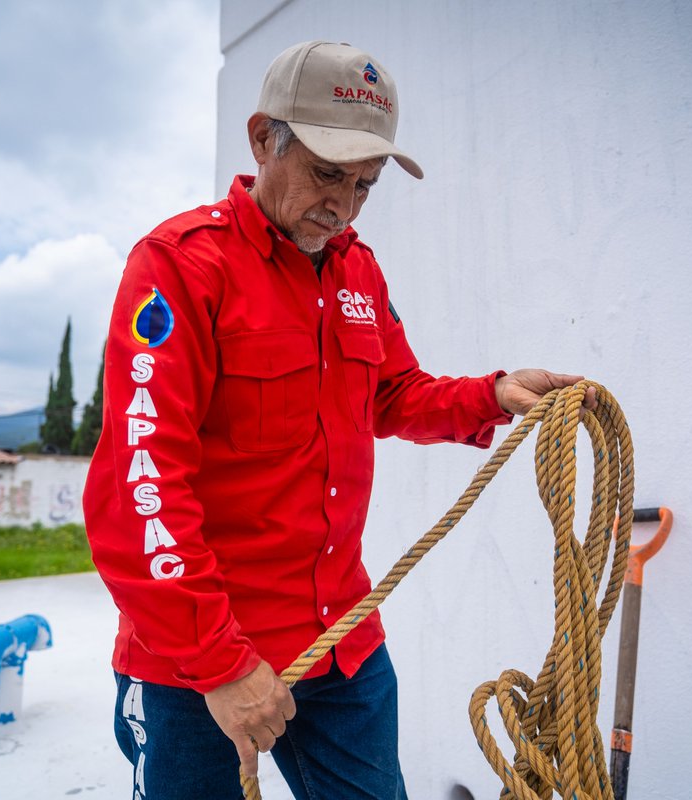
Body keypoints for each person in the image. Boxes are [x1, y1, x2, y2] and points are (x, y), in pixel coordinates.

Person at [83, 40, 596, 800]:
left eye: (366, 184)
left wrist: (490, 394)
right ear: (263, 139)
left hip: (340, 648)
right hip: (197, 669)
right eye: (328, 174)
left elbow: (393, 393)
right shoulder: (179, 267)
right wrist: (220, 664)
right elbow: (140, 487)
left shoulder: (357, 269)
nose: (344, 205)